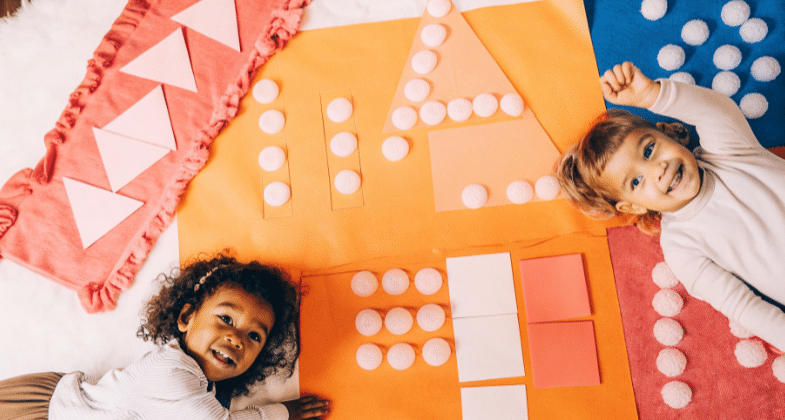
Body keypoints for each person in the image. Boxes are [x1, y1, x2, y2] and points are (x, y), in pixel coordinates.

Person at [557, 61, 785, 352]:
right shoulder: (681, 248)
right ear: (633, 206)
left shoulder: (729, 150)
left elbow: (713, 110)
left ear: (673, 134)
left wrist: (650, 95)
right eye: (637, 182)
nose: (658, 170)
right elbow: (743, 307)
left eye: (650, 150)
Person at [0, 253, 331, 419]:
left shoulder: (202, 387)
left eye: (254, 337)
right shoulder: (172, 372)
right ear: (186, 317)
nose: (236, 338)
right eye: (226, 318)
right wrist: (284, 412)